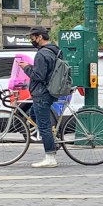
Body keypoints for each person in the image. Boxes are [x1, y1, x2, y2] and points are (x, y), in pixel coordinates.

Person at [22, 26, 61, 169]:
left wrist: (26, 67)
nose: (31, 40)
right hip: (51, 91)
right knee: (34, 115)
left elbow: (38, 76)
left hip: (41, 92)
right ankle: (52, 138)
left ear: (39, 37)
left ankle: (50, 157)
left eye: (32, 37)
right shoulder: (55, 50)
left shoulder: (41, 54)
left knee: (44, 126)